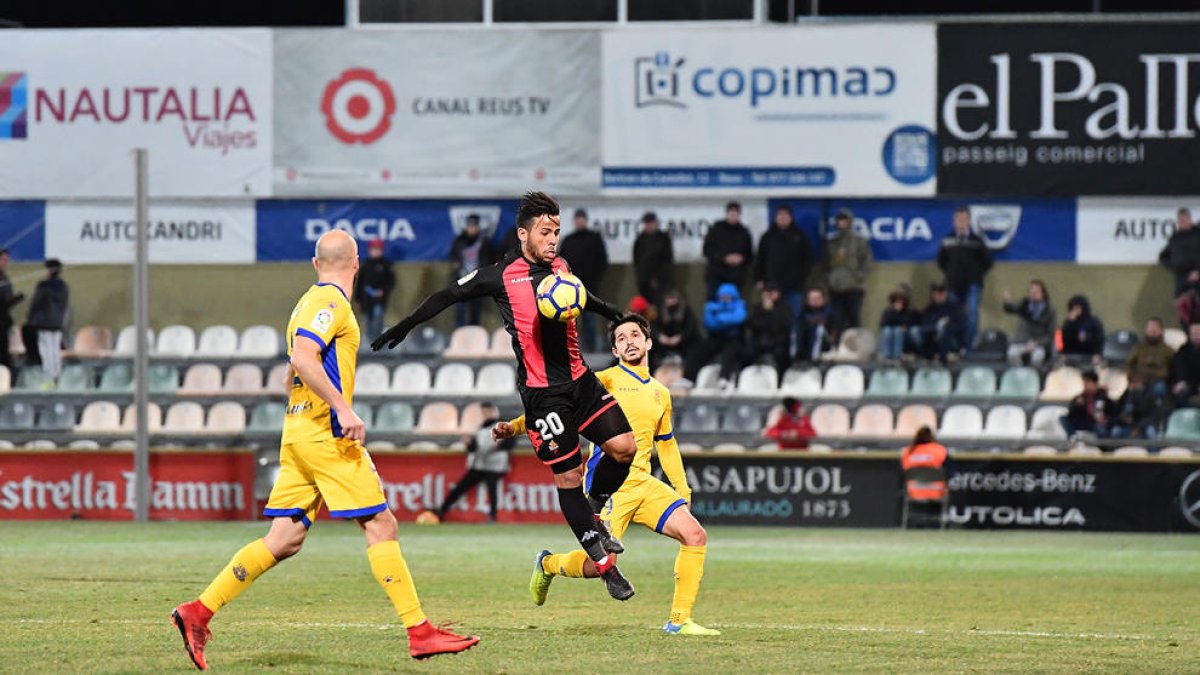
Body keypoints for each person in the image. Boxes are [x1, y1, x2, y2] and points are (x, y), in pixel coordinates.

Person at [170, 231, 478, 670]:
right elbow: (304, 357)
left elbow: (291, 369)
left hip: (297, 432)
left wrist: (305, 395)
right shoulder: (332, 302)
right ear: (356, 263)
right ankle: (420, 632)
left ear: (316, 264)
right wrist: (342, 408)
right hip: (325, 434)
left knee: (285, 538)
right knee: (381, 523)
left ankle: (197, 612)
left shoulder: (305, 302)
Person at [372, 192, 637, 601]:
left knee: (624, 447)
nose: (553, 240)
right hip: (543, 397)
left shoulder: (562, 269)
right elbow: (448, 296)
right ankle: (604, 568)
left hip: (580, 380)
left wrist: (614, 313)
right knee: (568, 476)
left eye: (557, 232)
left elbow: (582, 296)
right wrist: (405, 324)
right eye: (545, 232)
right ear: (523, 233)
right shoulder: (500, 275)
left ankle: (596, 507)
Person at [499, 314, 719, 636]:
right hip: (610, 484)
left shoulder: (661, 393)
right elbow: (556, 407)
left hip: (643, 481)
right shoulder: (605, 380)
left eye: (634, 335)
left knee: (695, 536)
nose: (629, 341)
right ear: (615, 350)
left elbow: (667, 445)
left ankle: (678, 621)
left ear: (648, 343)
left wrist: (682, 490)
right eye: (621, 338)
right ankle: (547, 564)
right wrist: (516, 427)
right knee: (599, 566)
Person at [417, 403, 513, 524]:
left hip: (495, 465)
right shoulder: (481, 428)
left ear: (495, 412)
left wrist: (498, 446)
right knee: (460, 488)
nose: (486, 414)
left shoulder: (504, 425)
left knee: (492, 490)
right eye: (484, 412)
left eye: (488, 411)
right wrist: (468, 443)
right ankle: (442, 510)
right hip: (480, 464)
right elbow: (474, 448)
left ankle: (492, 516)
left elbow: (509, 443)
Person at [937, 206, 992, 352]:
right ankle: (956, 347)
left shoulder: (977, 241)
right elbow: (941, 262)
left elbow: (987, 262)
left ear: (969, 221)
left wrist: (976, 275)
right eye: (958, 219)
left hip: (973, 285)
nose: (961, 222)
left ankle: (969, 349)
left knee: (972, 315)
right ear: (954, 221)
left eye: (964, 219)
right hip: (953, 285)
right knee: (955, 318)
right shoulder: (947, 240)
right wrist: (950, 273)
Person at [754, 204, 813, 328]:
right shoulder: (767, 237)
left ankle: (793, 347)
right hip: (771, 287)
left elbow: (807, 261)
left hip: (793, 287)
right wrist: (759, 279)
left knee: (793, 319)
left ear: (791, 218)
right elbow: (760, 260)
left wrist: (800, 279)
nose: (782, 218)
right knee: (771, 320)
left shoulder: (800, 237)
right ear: (775, 218)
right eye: (780, 215)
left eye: (785, 215)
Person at [558, 208, 609, 351]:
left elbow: (603, 261)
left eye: (582, 219)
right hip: (570, 287)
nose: (580, 221)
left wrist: (596, 276)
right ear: (574, 221)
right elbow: (561, 262)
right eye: (577, 219)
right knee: (570, 319)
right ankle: (570, 348)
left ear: (585, 220)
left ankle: (591, 347)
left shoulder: (594, 238)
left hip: (590, 286)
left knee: (590, 319)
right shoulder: (569, 240)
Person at [682, 282, 746, 388]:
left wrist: (720, 319)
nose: (725, 298)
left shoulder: (739, 305)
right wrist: (727, 321)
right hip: (715, 338)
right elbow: (709, 323)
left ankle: (724, 379)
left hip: (733, 339)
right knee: (697, 351)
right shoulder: (711, 306)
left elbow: (739, 318)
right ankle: (689, 378)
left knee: (730, 353)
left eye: (728, 296)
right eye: (723, 296)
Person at [823, 208, 872, 337]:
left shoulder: (859, 241)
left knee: (854, 319)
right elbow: (827, 264)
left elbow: (866, 261)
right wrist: (829, 278)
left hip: (853, 286)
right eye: (840, 220)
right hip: (836, 287)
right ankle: (839, 348)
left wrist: (860, 276)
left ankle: (856, 348)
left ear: (850, 221)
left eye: (845, 220)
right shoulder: (832, 242)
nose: (842, 223)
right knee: (837, 320)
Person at [448, 214, 496, 327]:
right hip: (461, 280)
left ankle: (474, 336)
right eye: (469, 226)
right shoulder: (459, 241)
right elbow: (453, 255)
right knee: (460, 311)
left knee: (475, 311)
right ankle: (459, 335)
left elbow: (491, 259)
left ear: (478, 227)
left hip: (477, 281)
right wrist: (455, 263)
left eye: (474, 227)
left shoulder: (485, 242)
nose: (471, 229)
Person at [25, 258, 68, 383]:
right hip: (58, 323)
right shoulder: (64, 286)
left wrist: (30, 319)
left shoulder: (43, 286)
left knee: (46, 352)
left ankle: (48, 379)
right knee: (55, 351)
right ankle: (57, 376)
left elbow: (35, 304)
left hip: (44, 323)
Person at [701, 201, 753, 300]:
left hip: (736, 277)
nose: (733, 216)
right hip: (716, 276)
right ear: (726, 214)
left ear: (739, 215)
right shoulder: (716, 229)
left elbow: (749, 255)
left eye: (736, 213)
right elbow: (707, 250)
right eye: (731, 213)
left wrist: (741, 259)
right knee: (714, 304)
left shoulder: (744, 232)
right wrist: (724, 258)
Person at [900, 426, 948, 527]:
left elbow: (903, 472)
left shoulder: (908, 452)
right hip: (936, 491)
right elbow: (951, 472)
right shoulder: (940, 451)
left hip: (913, 490)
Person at [1002, 280, 1056, 367]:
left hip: (1038, 343)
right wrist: (1006, 302)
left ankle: (1033, 376)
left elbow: (1050, 334)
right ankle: (1019, 373)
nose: (1033, 293)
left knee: (1037, 357)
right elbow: (1011, 308)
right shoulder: (1024, 304)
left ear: (1043, 293)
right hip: (1021, 341)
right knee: (1012, 353)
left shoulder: (1049, 310)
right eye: (1031, 290)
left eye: (1036, 291)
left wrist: (1037, 343)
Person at [353, 239, 396, 341]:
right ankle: (369, 340)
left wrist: (383, 292)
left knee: (378, 317)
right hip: (366, 300)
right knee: (367, 320)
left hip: (379, 300)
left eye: (378, 249)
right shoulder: (365, 265)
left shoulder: (386, 265)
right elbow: (360, 283)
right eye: (373, 249)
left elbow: (390, 282)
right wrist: (358, 299)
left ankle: (378, 338)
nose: (375, 252)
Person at [747, 284, 793, 375]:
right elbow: (754, 324)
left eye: (771, 293)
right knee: (748, 353)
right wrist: (765, 312)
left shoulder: (785, 308)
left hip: (778, 342)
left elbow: (780, 327)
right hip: (759, 341)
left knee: (779, 355)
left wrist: (770, 312)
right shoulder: (758, 308)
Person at [917, 281, 967, 363]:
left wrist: (947, 326)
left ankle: (946, 355)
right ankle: (932, 355)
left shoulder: (954, 308)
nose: (938, 297)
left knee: (945, 329)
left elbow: (961, 326)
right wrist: (934, 332)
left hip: (950, 339)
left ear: (945, 294)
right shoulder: (929, 309)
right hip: (933, 339)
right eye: (935, 294)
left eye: (940, 294)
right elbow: (924, 325)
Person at [652, 290, 700, 372]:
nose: (670, 304)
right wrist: (660, 337)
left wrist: (680, 337)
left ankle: (688, 373)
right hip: (664, 343)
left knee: (696, 345)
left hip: (683, 343)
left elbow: (691, 328)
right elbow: (653, 327)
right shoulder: (660, 311)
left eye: (673, 300)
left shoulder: (686, 311)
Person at [1060, 370, 1116, 439]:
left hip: (1097, 423)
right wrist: (1076, 405)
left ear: (1094, 383)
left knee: (1101, 430)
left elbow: (1113, 412)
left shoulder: (1102, 396)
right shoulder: (1081, 397)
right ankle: (1072, 437)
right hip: (1086, 421)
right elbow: (1071, 413)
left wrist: (1107, 419)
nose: (1085, 385)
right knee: (1063, 418)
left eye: (1087, 382)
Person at [633, 211, 674, 304]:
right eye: (646, 223)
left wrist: (658, 277)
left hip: (661, 282)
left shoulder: (663, 239)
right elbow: (637, 261)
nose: (648, 226)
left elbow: (667, 261)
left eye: (650, 223)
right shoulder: (640, 239)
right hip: (644, 283)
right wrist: (642, 278)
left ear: (656, 223)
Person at [1112, 373, 1168, 440]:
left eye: (1135, 382)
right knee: (1116, 431)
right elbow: (1122, 411)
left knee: (1151, 432)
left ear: (1140, 382)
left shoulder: (1150, 394)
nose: (1133, 385)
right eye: (1131, 383)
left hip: (1145, 425)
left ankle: (1154, 450)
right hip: (1131, 426)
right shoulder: (1128, 394)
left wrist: (1139, 428)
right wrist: (1123, 418)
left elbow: (1153, 415)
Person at [1159, 207, 1200, 296]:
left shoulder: (1197, 233)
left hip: (1198, 278)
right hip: (1182, 280)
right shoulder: (1175, 238)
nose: (1182, 222)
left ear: (1190, 219)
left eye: (1185, 219)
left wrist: (1197, 272)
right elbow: (1163, 256)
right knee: (1182, 305)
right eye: (1180, 220)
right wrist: (1175, 268)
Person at [1126, 317, 1174, 391]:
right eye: (1150, 328)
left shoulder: (1168, 350)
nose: (1153, 330)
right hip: (1140, 381)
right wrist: (1134, 380)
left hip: (1159, 382)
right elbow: (1130, 365)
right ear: (1146, 330)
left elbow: (1173, 368)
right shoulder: (1138, 348)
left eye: (1155, 328)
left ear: (1161, 331)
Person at [0, 249, 25, 376]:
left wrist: (17, 298)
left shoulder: (5, 278)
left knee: (4, 352)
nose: (6, 263)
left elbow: (7, 303)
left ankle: (7, 378)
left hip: (4, 322)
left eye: (7, 260)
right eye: (3, 260)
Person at [1061, 294, 1105, 365]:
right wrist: (1069, 323)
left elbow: (1099, 339)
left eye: (1078, 308)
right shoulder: (1068, 323)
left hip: (1089, 355)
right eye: (1074, 308)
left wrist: (1097, 354)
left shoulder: (1094, 321)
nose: (1076, 311)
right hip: (1072, 355)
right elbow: (1064, 340)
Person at [878, 288, 920, 361]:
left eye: (900, 301)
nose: (898, 303)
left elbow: (906, 323)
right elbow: (884, 323)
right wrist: (895, 312)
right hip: (891, 332)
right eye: (896, 301)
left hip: (904, 335)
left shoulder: (908, 312)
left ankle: (897, 356)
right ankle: (887, 355)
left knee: (898, 330)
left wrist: (899, 323)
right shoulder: (888, 311)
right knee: (887, 331)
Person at [796, 287, 834, 363]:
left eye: (817, 298)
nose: (814, 301)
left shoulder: (830, 313)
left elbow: (833, 332)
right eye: (812, 298)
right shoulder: (802, 316)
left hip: (825, 353)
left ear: (823, 299)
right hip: (804, 355)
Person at [1169, 323, 1200, 407]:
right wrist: (1181, 381)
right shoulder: (1183, 350)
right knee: (1180, 394)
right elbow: (1178, 368)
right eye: (1193, 333)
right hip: (1188, 383)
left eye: (1198, 332)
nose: (1196, 335)